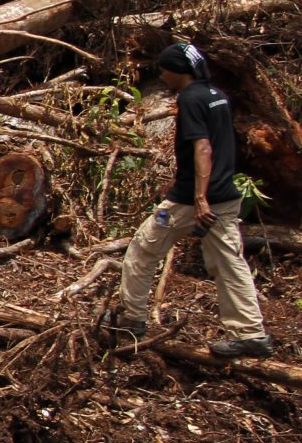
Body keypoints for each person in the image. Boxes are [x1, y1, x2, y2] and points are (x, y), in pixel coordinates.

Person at [109, 41, 272, 357]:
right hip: (225, 197)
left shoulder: (191, 99)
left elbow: (203, 148)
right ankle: (251, 333)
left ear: (177, 72)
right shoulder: (217, 97)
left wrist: (199, 199)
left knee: (143, 249)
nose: (162, 76)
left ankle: (132, 319)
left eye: (164, 69)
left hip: (191, 202)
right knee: (228, 262)